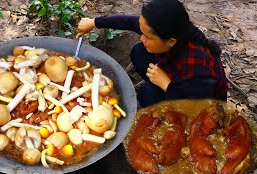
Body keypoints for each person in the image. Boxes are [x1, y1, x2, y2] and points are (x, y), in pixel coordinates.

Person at [76, 0, 228, 107]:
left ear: (171, 41)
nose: (142, 38)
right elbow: (129, 22)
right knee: (140, 52)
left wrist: (166, 85)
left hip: (196, 105)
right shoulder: (171, 28)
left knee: (148, 93)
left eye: (148, 36)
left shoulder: (197, 69)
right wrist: (94, 22)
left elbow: (200, 109)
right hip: (179, 80)